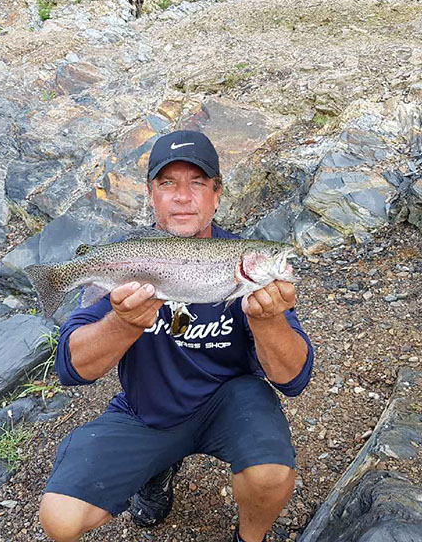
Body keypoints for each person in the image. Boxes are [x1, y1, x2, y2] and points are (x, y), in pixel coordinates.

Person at [38, 130, 314, 542]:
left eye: (197, 183)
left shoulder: (245, 270)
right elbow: (71, 368)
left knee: (272, 476)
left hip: (230, 399)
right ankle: (159, 464)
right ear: (151, 194)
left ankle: (250, 538)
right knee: (59, 519)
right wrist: (123, 322)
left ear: (217, 195)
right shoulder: (126, 255)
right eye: (168, 183)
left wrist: (268, 321)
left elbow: (294, 379)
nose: (182, 196)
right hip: (148, 407)